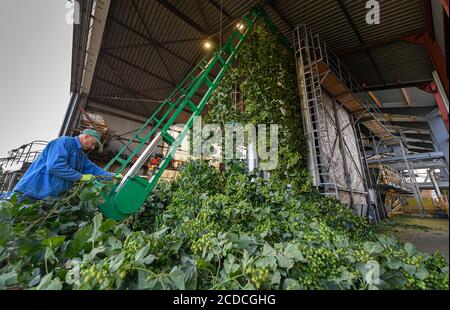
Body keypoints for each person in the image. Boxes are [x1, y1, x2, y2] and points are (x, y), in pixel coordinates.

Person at [13, 129, 118, 203]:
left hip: (49, 198)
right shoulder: (64, 142)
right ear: (87, 136)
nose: (93, 147)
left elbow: (94, 170)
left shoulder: (81, 156)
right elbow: (55, 166)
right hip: (31, 192)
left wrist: (113, 176)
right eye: (93, 143)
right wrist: (80, 177)